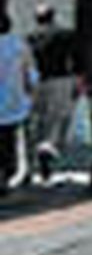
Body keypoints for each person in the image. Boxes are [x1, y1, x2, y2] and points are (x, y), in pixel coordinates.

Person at [27, 6, 76, 181]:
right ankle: (48, 148)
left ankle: (32, 159)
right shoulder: (65, 35)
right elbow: (76, 58)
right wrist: (78, 79)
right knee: (55, 118)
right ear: (53, 17)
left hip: (37, 81)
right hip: (60, 79)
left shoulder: (31, 37)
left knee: (35, 119)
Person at [0, 12, 38, 194]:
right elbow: (30, 73)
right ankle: (7, 174)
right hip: (14, 101)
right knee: (10, 140)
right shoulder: (19, 45)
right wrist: (31, 90)